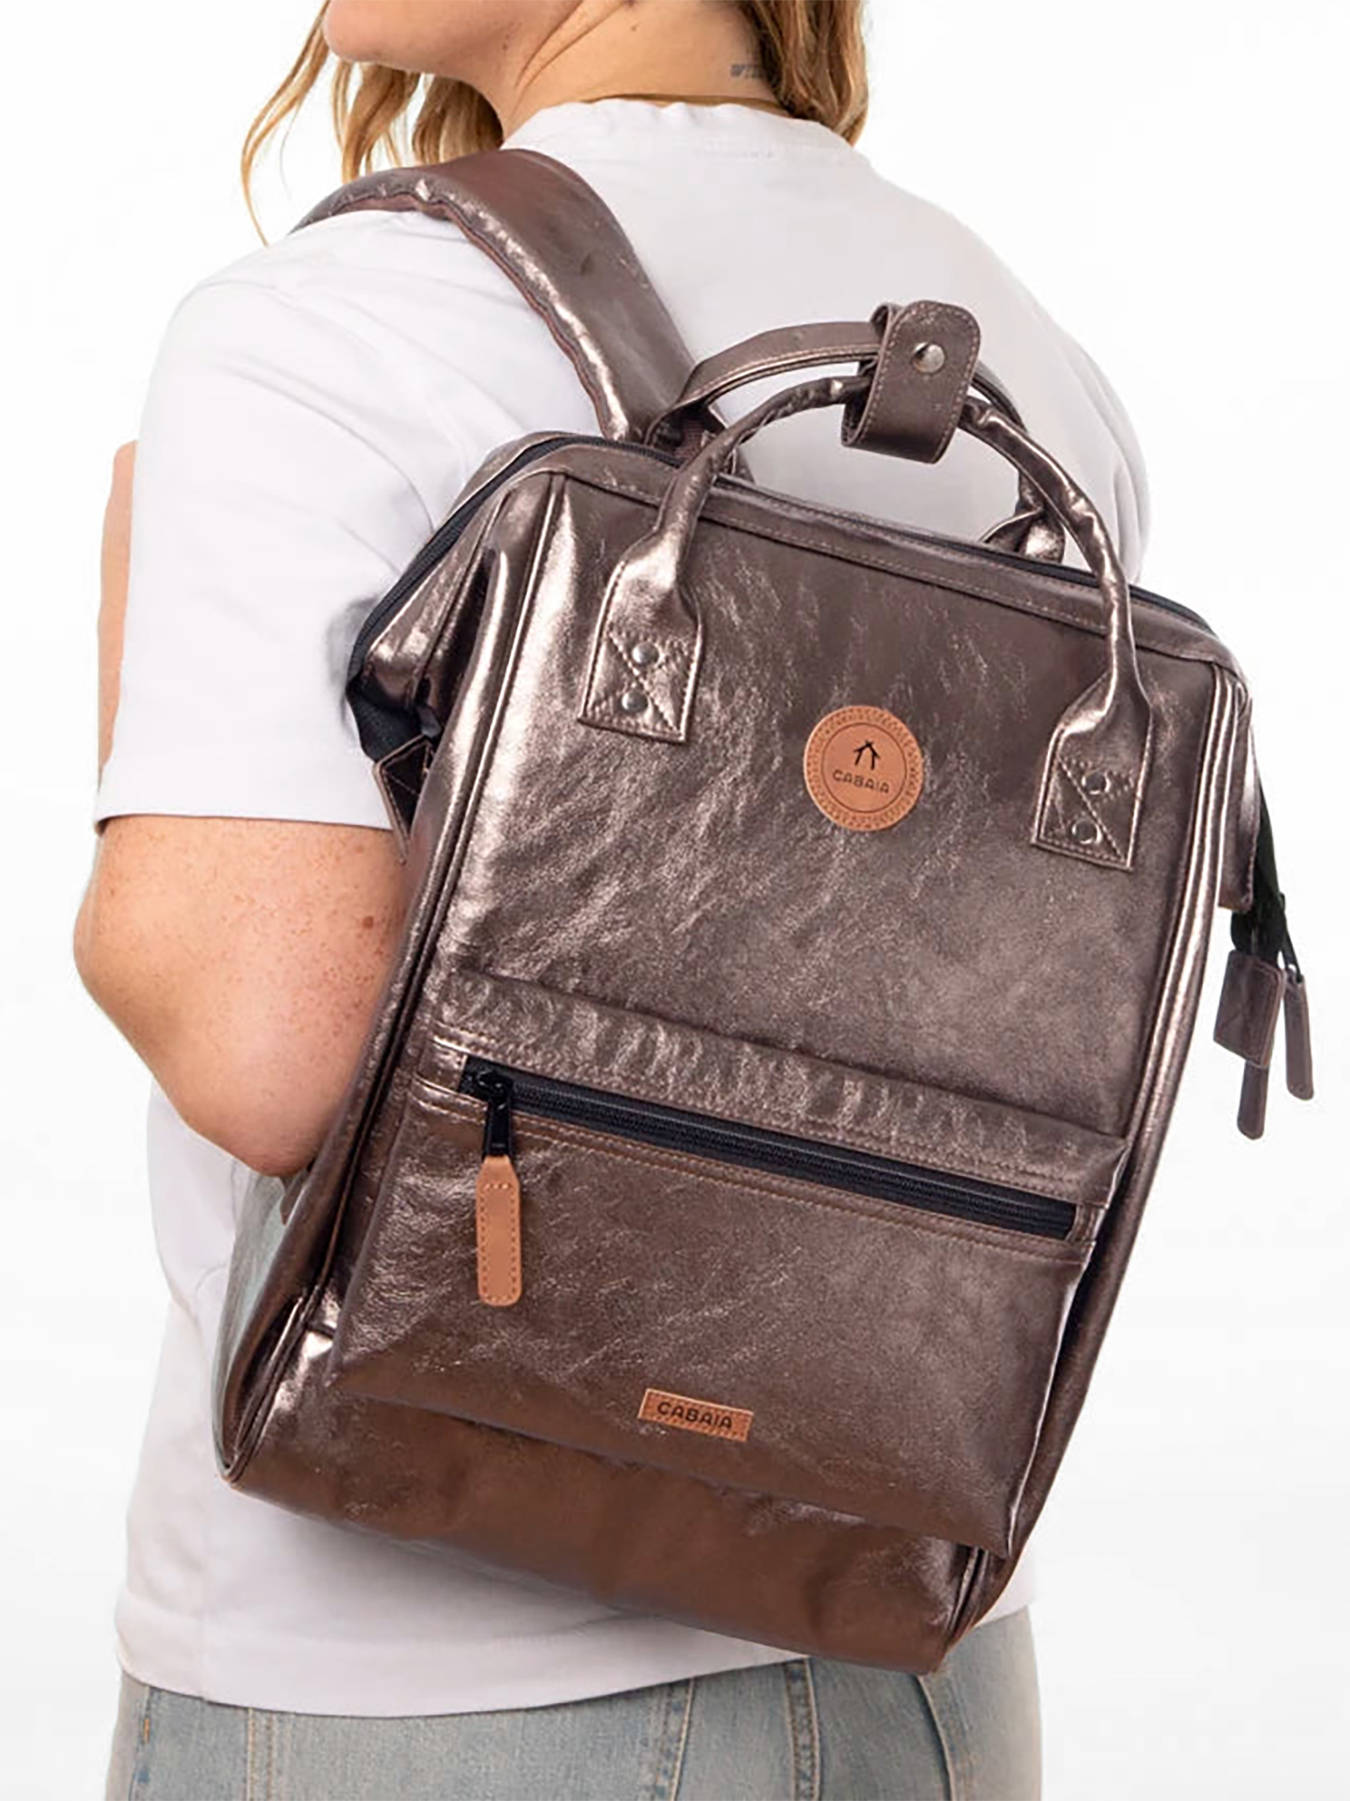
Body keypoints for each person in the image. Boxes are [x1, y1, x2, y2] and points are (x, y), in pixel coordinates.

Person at [77, 2, 1148, 1795]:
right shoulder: (1013, 344)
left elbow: (263, 1047)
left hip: (418, 1689)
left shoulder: (338, 326)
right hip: (910, 1661)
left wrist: (131, 670)